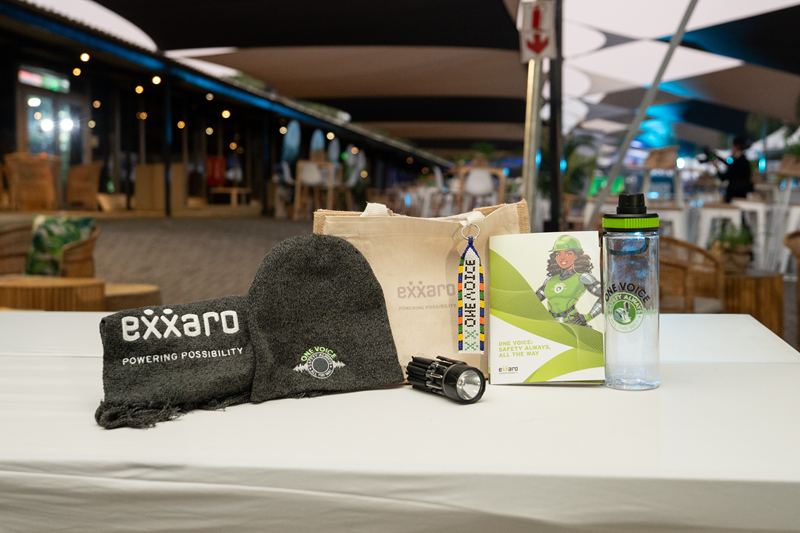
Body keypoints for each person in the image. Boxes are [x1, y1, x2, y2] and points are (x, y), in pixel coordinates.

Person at [535, 235, 602, 328]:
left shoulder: (583, 277)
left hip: (574, 324)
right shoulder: (550, 280)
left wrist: (589, 316)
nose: (562, 258)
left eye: (568, 254)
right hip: (553, 326)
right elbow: (532, 301)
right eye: (558, 254)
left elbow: (606, 295)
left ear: (576, 256)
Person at [713, 137, 752, 203]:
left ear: (736, 147)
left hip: (733, 194)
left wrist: (717, 167)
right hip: (743, 194)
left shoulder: (736, 162)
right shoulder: (746, 162)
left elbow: (724, 177)